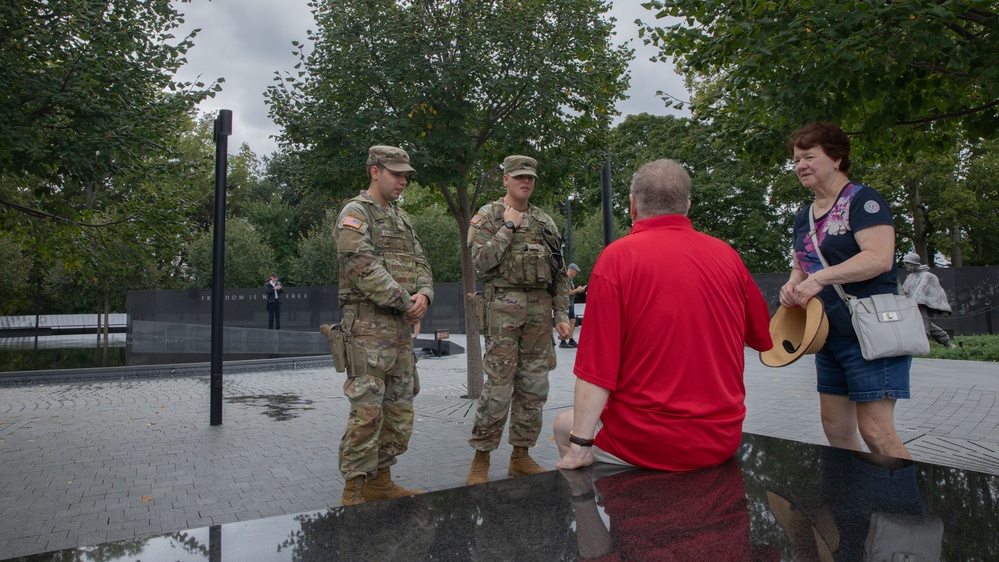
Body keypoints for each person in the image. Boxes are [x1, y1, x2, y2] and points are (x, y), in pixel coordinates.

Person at [553, 158, 773, 471]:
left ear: (632, 205)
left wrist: (580, 447)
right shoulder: (727, 255)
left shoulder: (618, 258)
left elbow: (596, 370)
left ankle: (606, 506)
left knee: (565, 426)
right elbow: (762, 338)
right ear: (687, 206)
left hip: (648, 442)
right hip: (721, 439)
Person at [778, 122, 913, 460]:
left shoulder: (862, 200)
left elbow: (879, 258)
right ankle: (854, 509)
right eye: (796, 160)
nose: (800, 165)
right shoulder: (803, 215)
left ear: (836, 158)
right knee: (834, 427)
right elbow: (802, 265)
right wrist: (792, 284)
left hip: (870, 333)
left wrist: (820, 278)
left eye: (809, 156)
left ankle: (907, 511)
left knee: (877, 432)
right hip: (828, 335)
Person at [335, 145, 434, 505]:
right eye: (397, 174)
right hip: (367, 330)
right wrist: (405, 300)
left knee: (399, 410)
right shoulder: (356, 213)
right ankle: (354, 491)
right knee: (367, 412)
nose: (403, 181)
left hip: (399, 332)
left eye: (406, 175)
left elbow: (422, 261)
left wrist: (424, 294)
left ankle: (380, 480)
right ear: (375, 171)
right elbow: (361, 266)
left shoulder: (401, 218)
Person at [465, 154, 571, 485]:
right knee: (497, 386)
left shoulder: (545, 222)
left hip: (539, 312)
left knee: (534, 386)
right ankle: (481, 459)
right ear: (505, 180)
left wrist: (562, 314)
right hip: (503, 309)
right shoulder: (488, 216)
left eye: (530, 178)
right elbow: (481, 261)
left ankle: (521, 456)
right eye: (519, 177)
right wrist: (508, 227)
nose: (526, 182)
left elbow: (560, 274)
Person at [902, 252, 956, 349]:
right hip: (911, 306)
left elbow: (938, 292)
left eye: (908, 263)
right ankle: (946, 342)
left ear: (914, 264)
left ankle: (926, 347)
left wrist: (943, 309)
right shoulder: (910, 277)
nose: (906, 266)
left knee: (924, 326)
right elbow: (904, 291)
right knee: (927, 326)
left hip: (922, 307)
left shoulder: (928, 276)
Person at [558, 263, 586, 348]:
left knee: (572, 320)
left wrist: (578, 290)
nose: (576, 273)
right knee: (567, 321)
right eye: (576, 272)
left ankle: (571, 339)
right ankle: (563, 341)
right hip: (566, 303)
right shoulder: (566, 279)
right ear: (572, 270)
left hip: (570, 303)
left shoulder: (570, 280)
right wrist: (577, 289)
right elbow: (568, 292)